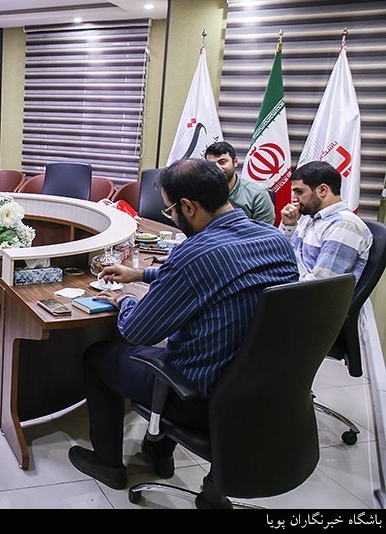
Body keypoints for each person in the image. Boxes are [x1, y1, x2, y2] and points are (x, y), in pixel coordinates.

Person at [67, 158, 299, 494]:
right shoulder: (274, 240)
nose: (171, 217)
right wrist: (142, 274)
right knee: (188, 344)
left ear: (188, 207)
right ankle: (160, 451)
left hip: (200, 397)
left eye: (170, 210)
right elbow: (221, 275)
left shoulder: (194, 252)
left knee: (99, 356)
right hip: (265, 390)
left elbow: (137, 331)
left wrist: (125, 298)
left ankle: (108, 464)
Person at [280, 160, 372, 283]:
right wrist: (289, 226)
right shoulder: (310, 218)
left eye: (299, 192)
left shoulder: (344, 225)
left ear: (323, 190)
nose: (294, 199)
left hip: (302, 293)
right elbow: (281, 255)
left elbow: (320, 285)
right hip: (288, 284)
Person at [205, 141, 275, 225]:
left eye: (222, 162)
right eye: (212, 165)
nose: (218, 168)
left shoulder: (257, 195)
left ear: (235, 162)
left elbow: (264, 231)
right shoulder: (200, 193)